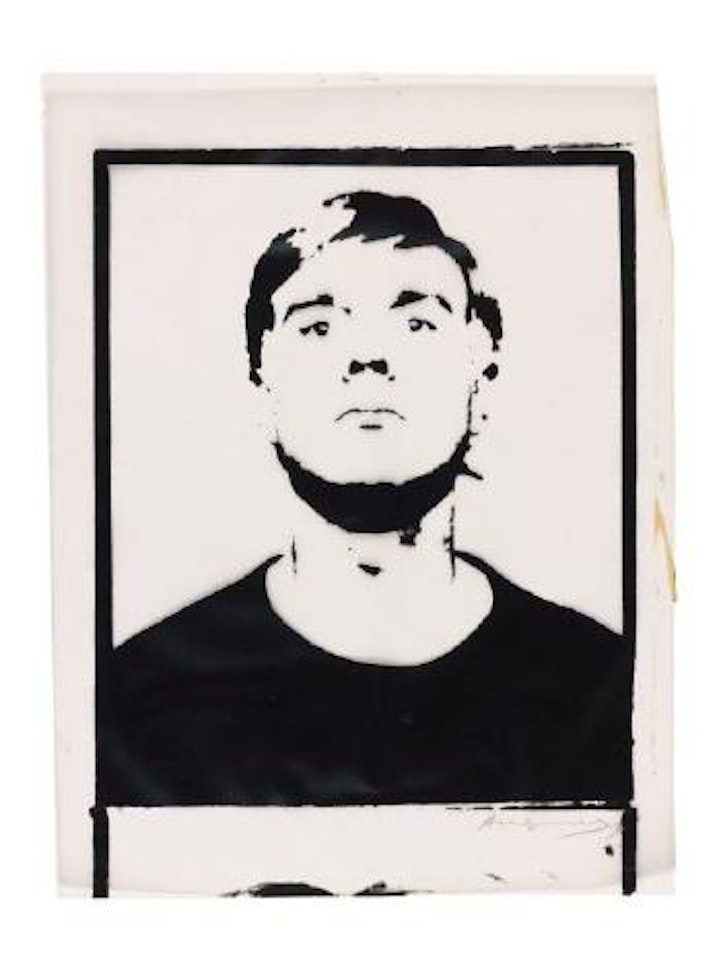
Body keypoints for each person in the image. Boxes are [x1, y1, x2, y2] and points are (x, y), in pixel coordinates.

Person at [102, 191, 632, 807]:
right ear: (260, 380)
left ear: (482, 370)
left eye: (416, 324)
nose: (367, 357)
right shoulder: (142, 697)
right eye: (318, 326)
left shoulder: (599, 688)